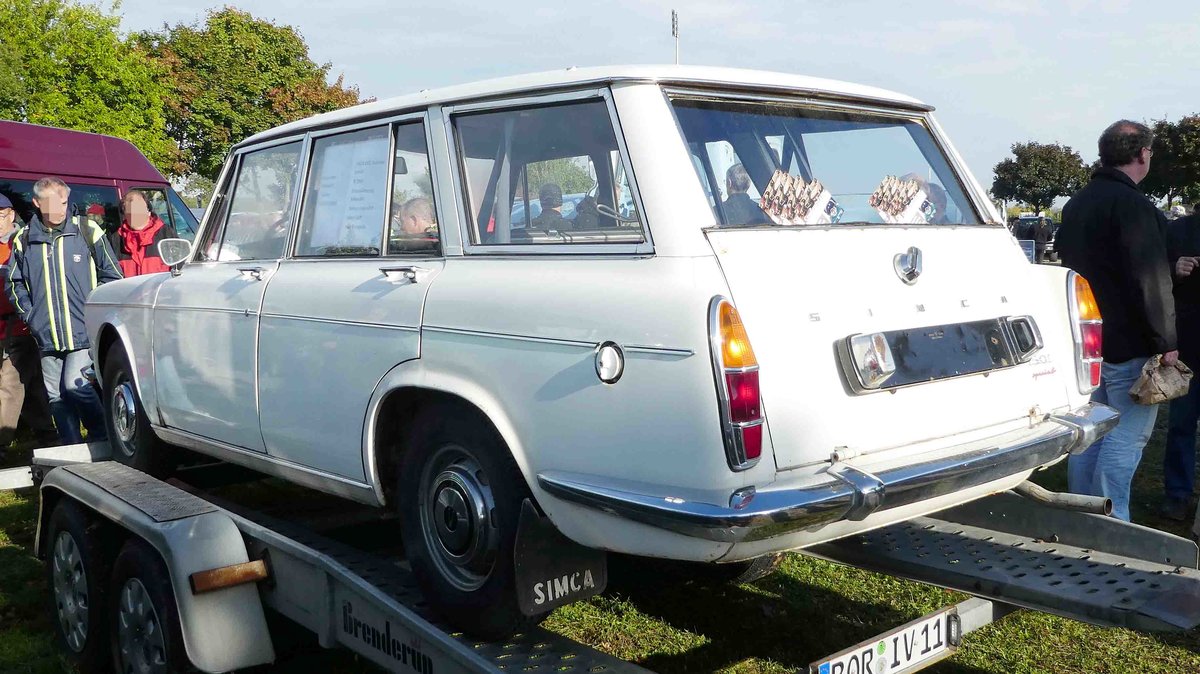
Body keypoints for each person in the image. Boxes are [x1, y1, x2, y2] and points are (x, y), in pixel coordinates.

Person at [1055, 120, 1178, 522]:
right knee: (1126, 435)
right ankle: (1112, 523)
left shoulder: (1077, 203)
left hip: (1088, 339)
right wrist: (1166, 342)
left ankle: (1080, 514)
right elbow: (1149, 280)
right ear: (1142, 154)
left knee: (1091, 432)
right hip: (1130, 342)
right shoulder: (1133, 205)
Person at [7, 177, 122, 444]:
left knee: (75, 386)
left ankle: (102, 438)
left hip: (82, 330)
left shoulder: (87, 230)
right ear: (37, 203)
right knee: (56, 396)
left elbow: (112, 275)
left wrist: (94, 311)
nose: (60, 209)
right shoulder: (24, 239)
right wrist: (30, 315)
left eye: (63, 202)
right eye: (51, 203)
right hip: (45, 333)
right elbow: (14, 283)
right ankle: (71, 447)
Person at [0, 194, 59, 456]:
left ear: (11, 214)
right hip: (4, 328)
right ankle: (48, 435)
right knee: (31, 384)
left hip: (21, 326)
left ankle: (1, 442)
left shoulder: (24, 242)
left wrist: (31, 317)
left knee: (10, 381)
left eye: (0, 216)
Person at [1163, 205, 1200, 519]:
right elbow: (1153, 276)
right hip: (1188, 345)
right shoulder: (1178, 230)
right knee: (1181, 424)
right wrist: (1174, 268)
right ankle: (1177, 495)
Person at [109, 190, 177, 277]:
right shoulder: (116, 239)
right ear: (124, 215)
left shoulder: (166, 234)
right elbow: (111, 275)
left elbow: (179, 270)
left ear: (148, 211)